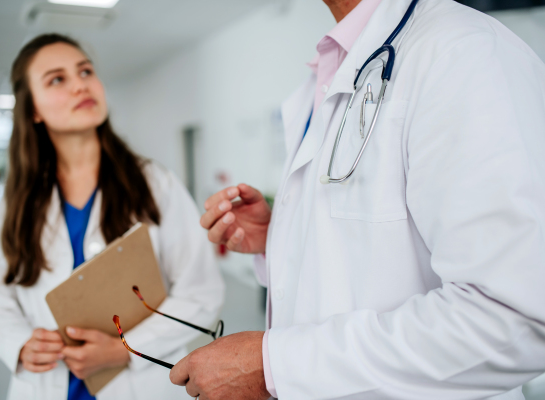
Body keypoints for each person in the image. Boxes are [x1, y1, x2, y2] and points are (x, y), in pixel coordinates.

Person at [169, 0, 545, 399]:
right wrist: (279, 234)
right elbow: (371, 248)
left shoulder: (461, 50)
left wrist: (275, 365)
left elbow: (517, 316)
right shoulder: (339, 65)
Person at [0, 34, 224, 400]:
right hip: (45, 385)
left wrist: (127, 347)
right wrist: (20, 346)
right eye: (57, 79)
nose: (79, 85)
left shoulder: (155, 184)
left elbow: (201, 293)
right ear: (33, 110)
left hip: (140, 384)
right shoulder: (17, 203)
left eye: (85, 71)